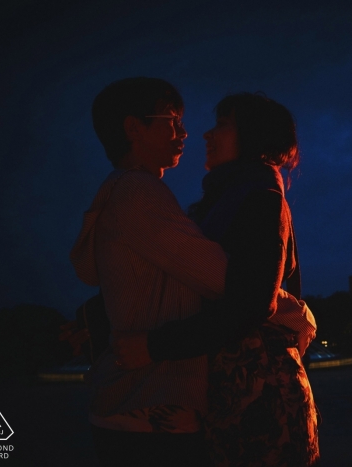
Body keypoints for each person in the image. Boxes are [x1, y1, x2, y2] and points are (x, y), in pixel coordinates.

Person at [114, 93, 320, 466]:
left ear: (253, 136)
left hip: (260, 397)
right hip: (236, 391)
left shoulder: (261, 196)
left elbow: (255, 301)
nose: (206, 135)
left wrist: (154, 346)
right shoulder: (229, 195)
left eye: (222, 125)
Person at [70, 77, 227, 466]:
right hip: (153, 407)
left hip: (124, 405)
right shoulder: (140, 193)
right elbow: (225, 279)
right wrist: (297, 313)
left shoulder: (114, 191)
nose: (184, 133)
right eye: (171, 119)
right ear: (133, 128)